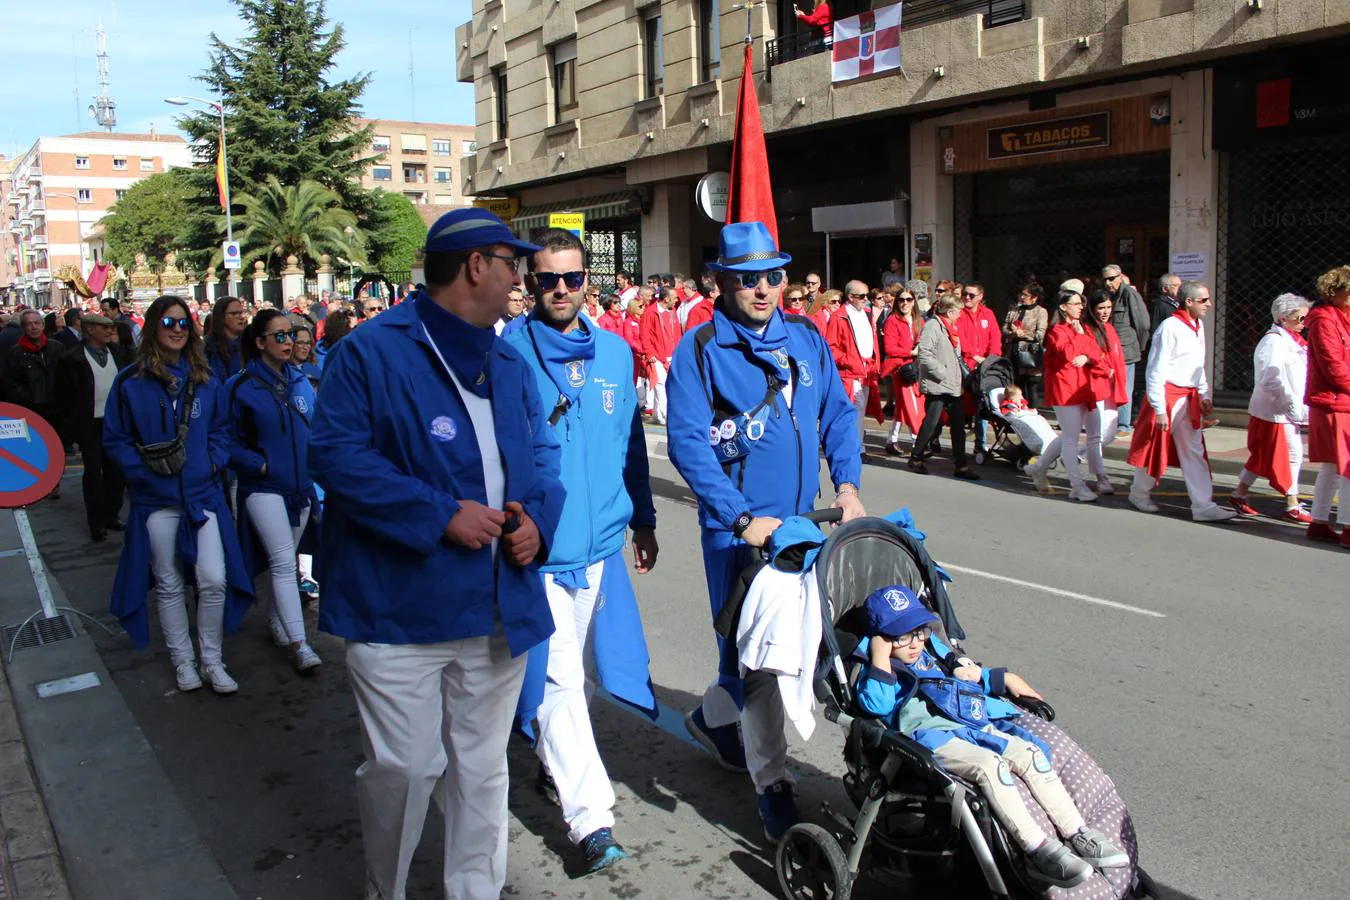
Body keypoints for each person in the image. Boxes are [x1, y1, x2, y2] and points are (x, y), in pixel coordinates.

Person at [308, 208, 565, 900]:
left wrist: (538, 520)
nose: (522, 278)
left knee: (482, 770)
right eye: (512, 264)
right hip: (399, 607)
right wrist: (439, 514)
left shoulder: (509, 362)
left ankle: (474, 892)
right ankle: (383, 889)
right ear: (476, 266)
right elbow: (336, 457)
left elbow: (542, 457)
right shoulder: (369, 350)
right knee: (406, 769)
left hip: (498, 604)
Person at [666, 221, 865, 844]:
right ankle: (773, 786)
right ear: (721, 281)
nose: (762, 289)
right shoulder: (699, 350)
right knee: (757, 661)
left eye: (772, 277)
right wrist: (743, 518)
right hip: (739, 533)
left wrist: (849, 487)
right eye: (746, 279)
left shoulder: (805, 336)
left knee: (800, 648)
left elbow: (835, 411)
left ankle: (713, 721)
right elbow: (688, 445)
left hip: (805, 524)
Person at [506, 228, 659, 873]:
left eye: (571, 278)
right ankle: (591, 821)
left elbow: (629, 446)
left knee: (583, 677)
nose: (560, 289)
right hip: (538, 552)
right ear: (530, 284)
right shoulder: (506, 356)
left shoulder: (618, 355)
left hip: (598, 548)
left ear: (587, 279)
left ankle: (550, 757)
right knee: (560, 678)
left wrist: (645, 519)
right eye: (547, 280)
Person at [855, 585, 1129, 889]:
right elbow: (875, 705)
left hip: (971, 723)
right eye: (901, 637)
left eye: (918, 632)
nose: (914, 643)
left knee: (1030, 754)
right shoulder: (882, 668)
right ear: (882, 639)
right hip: (933, 737)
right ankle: (1039, 852)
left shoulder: (931, 650)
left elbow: (966, 676)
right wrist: (880, 656)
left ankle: (1078, 832)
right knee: (991, 766)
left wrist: (1002, 679)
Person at [103, 296, 253, 694]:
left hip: (204, 497)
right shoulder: (130, 382)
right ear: (153, 326)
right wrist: (142, 475)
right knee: (169, 583)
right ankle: (183, 661)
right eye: (168, 322)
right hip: (156, 501)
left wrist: (214, 462)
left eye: (184, 323)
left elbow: (222, 430)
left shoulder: (205, 379)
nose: (176, 329)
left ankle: (212, 660)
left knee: (214, 580)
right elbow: (117, 440)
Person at [225, 309, 323, 673]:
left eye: (290, 334)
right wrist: (257, 464)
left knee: (284, 559)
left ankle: (277, 621)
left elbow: (315, 429)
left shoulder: (300, 382)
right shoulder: (239, 386)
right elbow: (224, 440)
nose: (288, 342)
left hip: (299, 487)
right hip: (262, 487)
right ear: (260, 342)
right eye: (279, 336)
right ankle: (300, 644)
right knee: (284, 562)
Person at [1125, 282, 1236, 522]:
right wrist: (1158, 407)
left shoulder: (1198, 325)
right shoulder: (1169, 328)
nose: (1208, 304)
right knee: (1154, 446)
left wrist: (1204, 394)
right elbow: (1155, 369)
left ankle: (1203, 505)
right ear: (1189, 302)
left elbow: (1199, 364)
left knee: (1194, 450)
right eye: (1204, 300)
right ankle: (1139, 492)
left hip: (1189, 396)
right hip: (1168, 396)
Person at [1230, 293, 1312, 522]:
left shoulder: (1292, 340)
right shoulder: (1273, 342)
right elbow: (1271, 378)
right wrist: (1292, 405)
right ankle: (1292, 504)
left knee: (1262, 456)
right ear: (1283, 318)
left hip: (1282, 410)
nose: (1304, 323)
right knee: (1292, 455)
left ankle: (1239, 494)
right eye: (1300, 318)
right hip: (1275, 412)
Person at [54, 313, 132, 540]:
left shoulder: (118, 354)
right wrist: (70, 429)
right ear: (90, 330)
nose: (109, 331)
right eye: (103, 327)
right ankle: (96, 522)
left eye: (110, 327)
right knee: (93, 474)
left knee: (116, 472)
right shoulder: (72, 358)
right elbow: (63, 396)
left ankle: (112, 514)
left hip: (115, 422)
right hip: (89, 423)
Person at [1029, 289, 1108, 502]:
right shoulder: (1056, 330)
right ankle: (1077, 485)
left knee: (1067, 436)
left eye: (1080, 303)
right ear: (1063, 307)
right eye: (1075, 303)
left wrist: (1087, 355)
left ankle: (1039, 468)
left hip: (1082, 387)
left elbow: (1097, 355)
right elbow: (1068, 354)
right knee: (1071, 439)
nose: (1081, 307)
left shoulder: (1082, 328)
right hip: (1065, 389)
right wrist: (1082, 344)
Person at [1303, 265, 1350, 545]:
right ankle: (1348, 527)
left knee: (1333, 466)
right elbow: (1333, 366)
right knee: (1345, 467)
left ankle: (1319, 521)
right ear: (1337, 292)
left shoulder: (1342, 317)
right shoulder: (1323, 320)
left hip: (1339, 401)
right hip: (1335, 402)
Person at [908, 295, 978, 480]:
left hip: (953, 385)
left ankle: (961, 465)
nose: (960, 316)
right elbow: (924, 354)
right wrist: (942, 372)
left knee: (957, 427)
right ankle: (916, 457)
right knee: (931, 423)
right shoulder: (933, 326)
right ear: (949, 312)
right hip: (938, 384)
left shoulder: (951, 328)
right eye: (958, 312)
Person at [827, 280, 881, 449]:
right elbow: (831, 348)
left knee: (862, 409)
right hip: (850, 373)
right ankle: (856, 447)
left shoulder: (866, 313)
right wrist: (848, 362)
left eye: (868, 295)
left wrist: (874, 362)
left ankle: (857, 444)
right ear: (850, 297)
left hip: (867, 370)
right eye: (862, 296)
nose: (866, 299)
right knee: (855, 409)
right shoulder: (839, 317)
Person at [1103, 264, 1151, 432]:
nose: (1108, 283)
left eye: (1112, 278)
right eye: (1105, 279)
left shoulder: (1129, 293)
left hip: (1126, 350)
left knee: (1124, 387)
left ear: (1120, 276)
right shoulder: (1109, 296)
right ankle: (1112, 422)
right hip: (1109, 350)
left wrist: (1139, 345)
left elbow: (1143, 323)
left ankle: (1124, 424)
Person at [956, 283, 1000, 455]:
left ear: (980, 296)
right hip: (964, 364)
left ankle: (980, 444)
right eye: (965, 294)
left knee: (983, 404)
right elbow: (958, 337)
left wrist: (991, 358)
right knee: (958, 406)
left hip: (984, 366)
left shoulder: (988, 314)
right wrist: (973, 355)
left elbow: (995, 337)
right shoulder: (958, 313)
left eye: (971, 295)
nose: (967, 297)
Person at [880, 289, 923, 456]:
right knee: (912, 405)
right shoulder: (892, 320)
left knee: (903, 406)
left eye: (909, 299)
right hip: (901, 368)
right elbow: (890, 348)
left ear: (914, 302)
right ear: (896, 302)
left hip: (916, 367)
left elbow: (923, 340)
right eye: (901, 300)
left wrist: (919, 348)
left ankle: (892, 439)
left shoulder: (918, 320)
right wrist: (911, 352)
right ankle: (917, 443)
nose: (905, 303)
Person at [639, 286, 680, 424]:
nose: (676, 300)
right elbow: (644, 334)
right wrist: (649, 353)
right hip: (656, 355)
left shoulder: (672, 311)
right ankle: (666, 415)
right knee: (660, 385)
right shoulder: (650, 312)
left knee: (666, 385)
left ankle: (658, 415)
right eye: (674, 298)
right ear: (666, 298)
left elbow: (677, 333)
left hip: (671, 355)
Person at [1003, 283, 1048, 405]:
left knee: (1031, 387)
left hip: (1029, 354)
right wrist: (1014, 333)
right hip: (1013, 353)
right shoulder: (1014, 309)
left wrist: (1024, 333)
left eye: (1025, 295)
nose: (1021, 297)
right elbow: (1004, 329)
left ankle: (1032, 411)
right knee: (1017, 385)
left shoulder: (1041, 312)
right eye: (1021, 294)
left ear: (1034, 297)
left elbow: (1040, 335)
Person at [205, 296, 246, 383]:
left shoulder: (250, 344)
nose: (241, 317)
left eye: (241, 313)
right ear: (221, 317)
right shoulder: (207, 347)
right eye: (234, 313)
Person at [1148, 273, 1182, 350]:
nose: (1180, 289)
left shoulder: (1178, 303)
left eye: (1181, 285)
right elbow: (1155, 328)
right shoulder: (1159, 304)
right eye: (1176, 285)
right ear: (1165, 289)